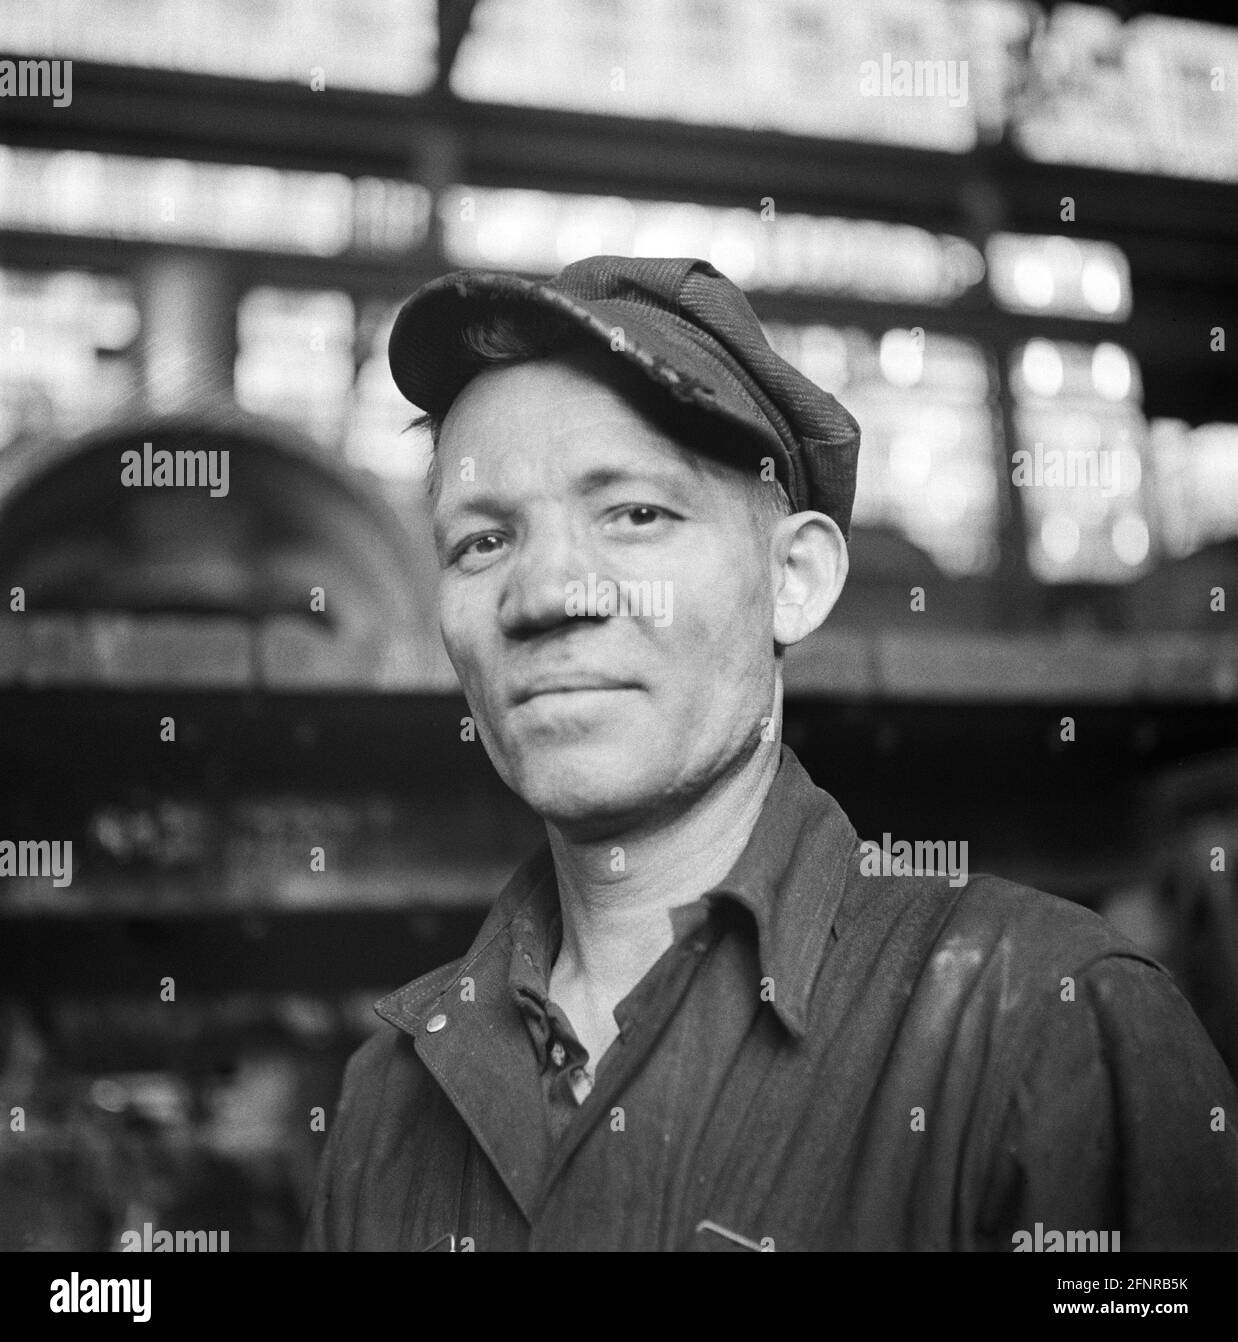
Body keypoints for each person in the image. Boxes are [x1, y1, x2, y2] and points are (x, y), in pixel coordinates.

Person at [305, 255, 1238, 1252]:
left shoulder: (1041, 1023)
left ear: (793, 577)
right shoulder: (388, 1101)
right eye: (481, 541)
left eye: (635, 515)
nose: (543, 594)